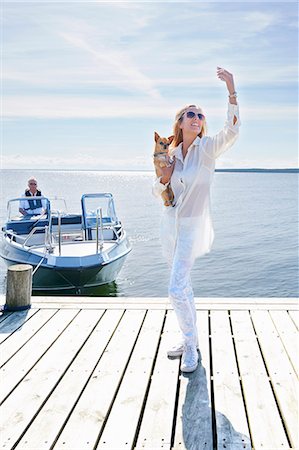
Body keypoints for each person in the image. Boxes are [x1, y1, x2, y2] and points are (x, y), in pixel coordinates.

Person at [152, 67, 241, 373]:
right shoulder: (170, 152)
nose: (196, 118)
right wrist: (163, 179)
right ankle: (189, 337)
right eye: (190, 113)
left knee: (176, 289)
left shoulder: (207, 150)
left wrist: (231, 90)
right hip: (170, 226)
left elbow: (232, 131)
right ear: (180, 121)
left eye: (200, 116)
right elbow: (158, 190)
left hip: (192, 228)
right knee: (184, 286)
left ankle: (191, 347)